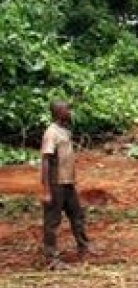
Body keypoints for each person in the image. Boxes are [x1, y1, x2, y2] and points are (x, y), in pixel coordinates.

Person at [39, 100, 90, 267]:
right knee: (52, 221)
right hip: (56, 183)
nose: (70, 112)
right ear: (59, 112)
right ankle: (51, 258)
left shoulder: (64, 131)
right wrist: (46, 190)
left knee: (77, 216)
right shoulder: (51, 133)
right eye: (67, 109)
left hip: (68, 183)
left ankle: (84, 247)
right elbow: (45, 160)